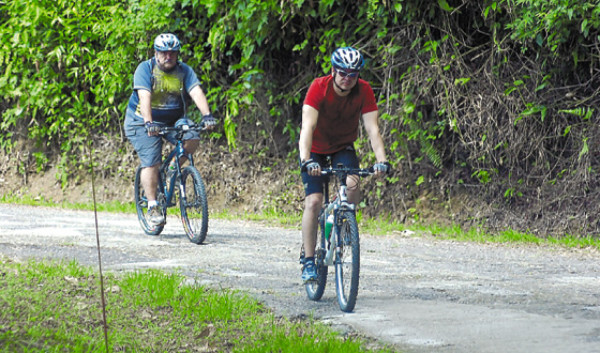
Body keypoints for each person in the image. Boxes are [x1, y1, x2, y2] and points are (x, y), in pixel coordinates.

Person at [298, 46, 390, 282]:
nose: (348, 79)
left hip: (342, 147)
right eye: (343, 73)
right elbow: (307, 127)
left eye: (353, 74)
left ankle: (346, 223)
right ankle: (308, 260)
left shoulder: (364, 90)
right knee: (315, 201)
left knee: (352, 185)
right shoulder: (319, 87)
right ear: (333, 70)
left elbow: (373, 129)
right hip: (315, 150)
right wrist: (306, 159)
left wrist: (382, 161)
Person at [124, 33, 216, 228]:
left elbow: (195, 91)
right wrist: (149, 123)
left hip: (173, 119)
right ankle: (153, 205)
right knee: (152, 160)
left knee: (192, 137)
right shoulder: (146, 69)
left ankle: (173, 168)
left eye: (172, 53)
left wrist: (207, 115)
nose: (168, 57)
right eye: (164, 53)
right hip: (141, 121)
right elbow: (144, 97)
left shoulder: (184, 71)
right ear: (156, 54)